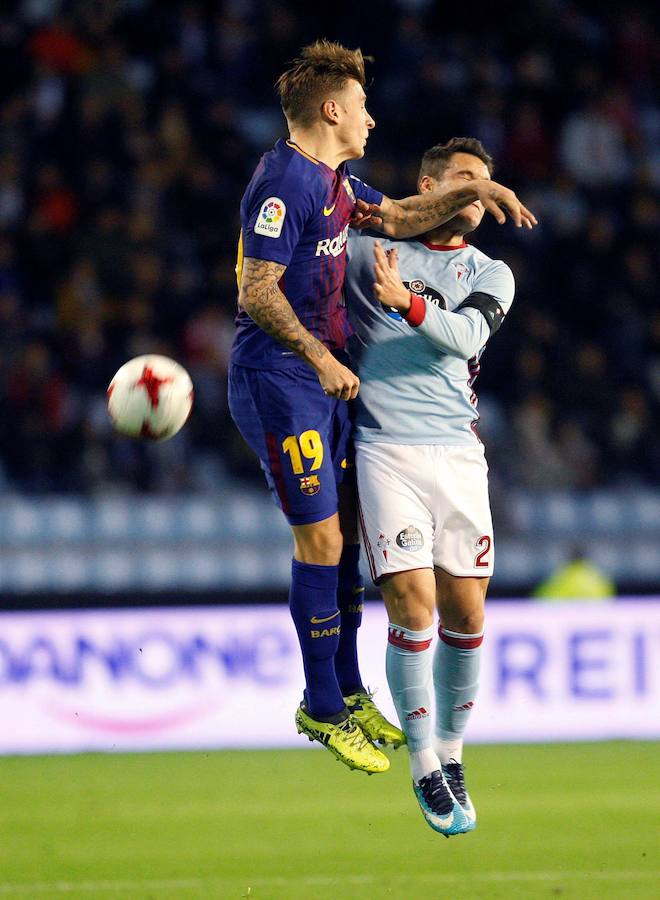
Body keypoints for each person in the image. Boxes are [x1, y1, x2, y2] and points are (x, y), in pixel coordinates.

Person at [228, 41, 536, 775]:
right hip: (281, 378)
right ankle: (322, 706)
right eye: (363, 105)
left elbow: (396, 218)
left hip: (319, 382)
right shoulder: (282, 184)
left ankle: (348, 687)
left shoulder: (335, 183)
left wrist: (468, 194)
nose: (372, 117)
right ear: (332, 109)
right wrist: (321, 355)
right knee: (324, 544)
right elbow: (256, 291)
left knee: (346, 537)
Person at [344, 137, 520, 830]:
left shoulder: (492, 270)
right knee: (414, 607)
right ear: (427, 186)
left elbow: (468, 336)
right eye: (464, 180)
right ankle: (423, 763)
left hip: (457, 454)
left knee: (467, 615)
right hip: (386, 448)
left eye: (485, 184)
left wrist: (406, 306)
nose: (477, 194)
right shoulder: (367, 253)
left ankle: (451, 750)